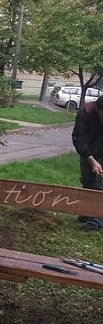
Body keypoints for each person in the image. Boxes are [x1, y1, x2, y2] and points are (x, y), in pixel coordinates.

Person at [71, 99, 103, 231]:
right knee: (88, 179)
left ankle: (97, 220)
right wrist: (92, 160)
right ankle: (87, 211)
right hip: (89, 150)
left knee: (100, 183)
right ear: (98, 110)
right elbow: (79, 139)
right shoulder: (85, 112)